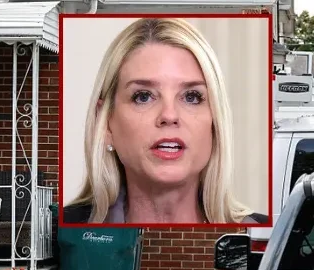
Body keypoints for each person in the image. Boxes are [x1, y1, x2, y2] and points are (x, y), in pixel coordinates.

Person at [63, 17, 268, 225]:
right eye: (143, 96)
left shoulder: (271, 233)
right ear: (106, 122)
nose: (169, 115)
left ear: (215, 123)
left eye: (191, 97)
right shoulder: (55, 229)